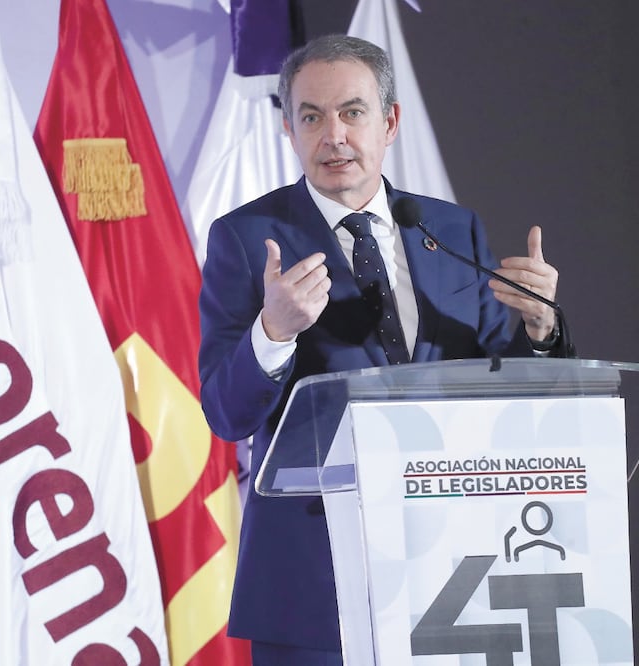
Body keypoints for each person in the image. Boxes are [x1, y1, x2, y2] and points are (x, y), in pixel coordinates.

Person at [198, 34, 562, 665]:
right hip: (313, 583)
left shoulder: (447, 229)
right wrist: (274, 331)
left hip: (454, 572)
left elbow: (497, 391)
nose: (332, 134)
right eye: (311, 116)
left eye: (352, 112)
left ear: (390, 122)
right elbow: (226, 414)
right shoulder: (246, 239)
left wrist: (539, 332)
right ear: (288, 129)